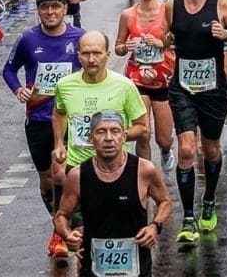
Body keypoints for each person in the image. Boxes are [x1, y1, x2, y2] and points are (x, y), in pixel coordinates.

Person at [164, 0, 227, 242]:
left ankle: (209, 199)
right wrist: (166, 40)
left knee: (210, 148)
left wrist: (225, 33)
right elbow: (167, 37)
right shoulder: (172, 6)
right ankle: (188, 217)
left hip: (213, 88)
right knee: (187, 149)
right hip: (183, 87)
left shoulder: (220, 4)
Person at [2, 0, 84, 254]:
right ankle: (57, 218)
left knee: (63, 173)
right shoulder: (28, 39)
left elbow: (93, 68)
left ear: (65, 9)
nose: (50, 12)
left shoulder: (79, 38)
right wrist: (19, 90)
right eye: (45, 7)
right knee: (47, 178)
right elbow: (9, 69)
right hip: (38, 116)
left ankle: (60, 230)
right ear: (38, 10)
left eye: (56, 7)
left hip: (69, 119)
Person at [54, 110, 172, 277]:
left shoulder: (143, 170)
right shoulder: (78, 175)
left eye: (115, 131)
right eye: (101, 132)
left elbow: (165, 202)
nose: (108, 138)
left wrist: (155, 226)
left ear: (124, 137)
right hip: (93, 269)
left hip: (137, 269)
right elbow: (61, 216)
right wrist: (68, 235)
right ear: (90, 139)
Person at [51, 32, 152, 175]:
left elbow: (142, 127)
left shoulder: (125, 86)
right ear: (78, 55)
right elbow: (59, 113)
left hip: (115, 167)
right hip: (77, 166)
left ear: (107, 54)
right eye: (86, 54)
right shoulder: (64, 85)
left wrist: (113, 137)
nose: (91, 59)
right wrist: (59, 143)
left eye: (97, 53)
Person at [115, 0, 176, 171]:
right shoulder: (128, 15)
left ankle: (166, 150)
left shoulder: (168, 11)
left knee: (164, 138)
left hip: (163, 79)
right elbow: (118, 47)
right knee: (143, 133)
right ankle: (145, 174)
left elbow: (178, 42)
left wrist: (160, 43)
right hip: (137, 79)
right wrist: (126, 47)